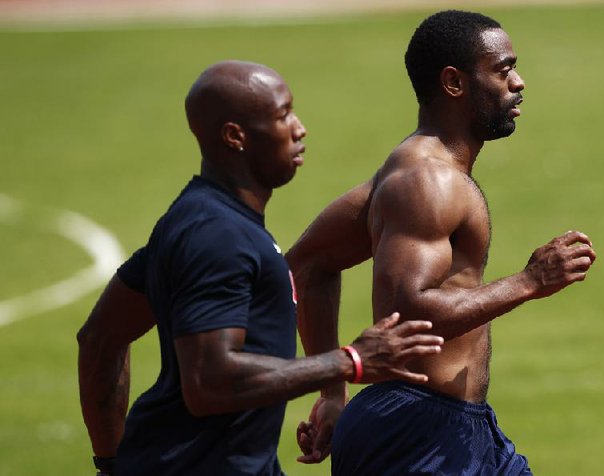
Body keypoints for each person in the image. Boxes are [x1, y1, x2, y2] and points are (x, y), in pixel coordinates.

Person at [76, 60, 445, 476]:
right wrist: (351, 361)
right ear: (235, 136)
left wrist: (110, 462)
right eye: (282, 114)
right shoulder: (218, 236)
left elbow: (99, 340)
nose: (299, 128)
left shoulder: (195, 219)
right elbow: (209, 381)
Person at [286, 10, 597, 475]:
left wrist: (333, 393)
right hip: (418, 435)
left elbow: (308, 265)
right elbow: (410, 311)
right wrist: (530, 281)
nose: (519, 83)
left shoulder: (410, 171)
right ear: (454, 82)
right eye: (504, 69)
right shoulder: (428, 182)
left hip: (452, 429)